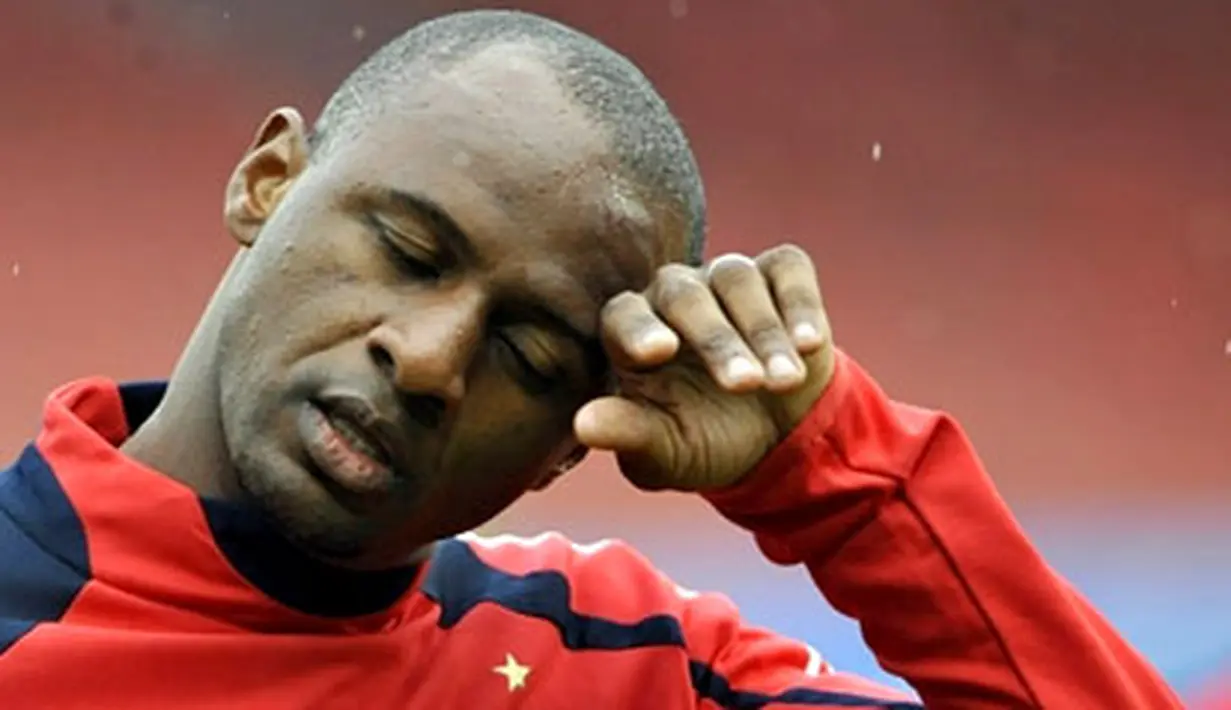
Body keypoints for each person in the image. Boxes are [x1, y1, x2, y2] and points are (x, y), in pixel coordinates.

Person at [0, 9, 1180, 709]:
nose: (428, 361)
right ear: (269, 184)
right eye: (410, 250)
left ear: (576, 438)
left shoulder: (629, 664)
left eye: (528, 349)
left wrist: (837, 472)